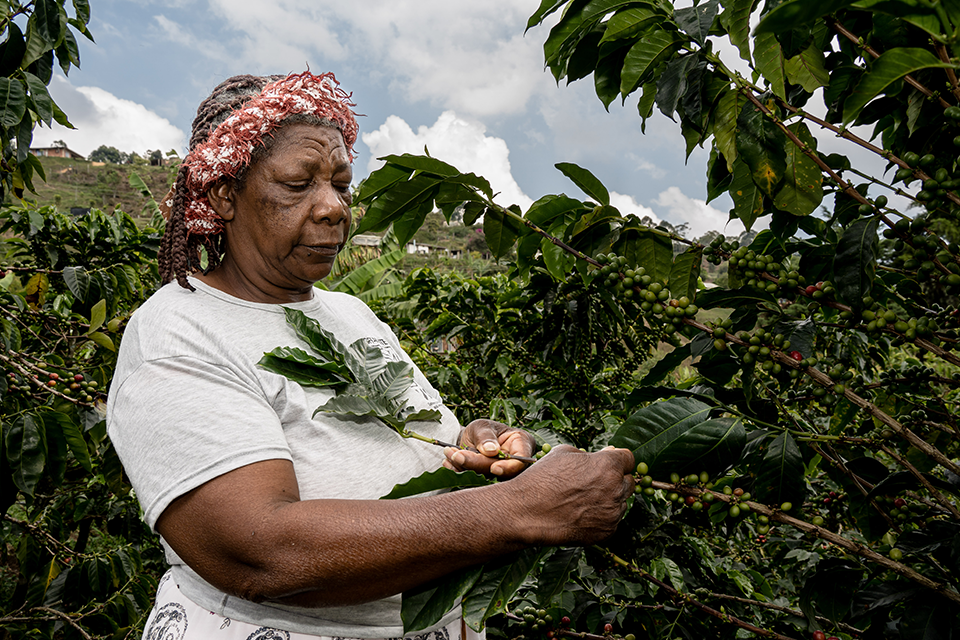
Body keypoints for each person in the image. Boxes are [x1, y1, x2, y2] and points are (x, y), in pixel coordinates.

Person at [106, 71, 635, 640]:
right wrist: (520, 510)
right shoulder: (178, 331)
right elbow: (258, 552)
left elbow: (400, 446)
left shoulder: (349, 314)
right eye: (297, 183)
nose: (333, 207)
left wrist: (472, 448)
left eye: (339, 183)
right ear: (224, 195)